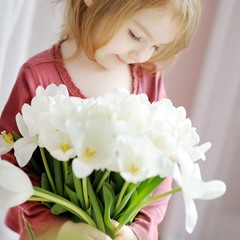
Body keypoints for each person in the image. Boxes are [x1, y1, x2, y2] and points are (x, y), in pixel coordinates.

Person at [0, 0, 201, 239]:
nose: (142, 55)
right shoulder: (37, 76)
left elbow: (161, 170)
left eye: (156, 47)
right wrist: (60, 229)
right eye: (136, 35)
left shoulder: (149, 81)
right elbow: (10, 162)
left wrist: (139, 232)